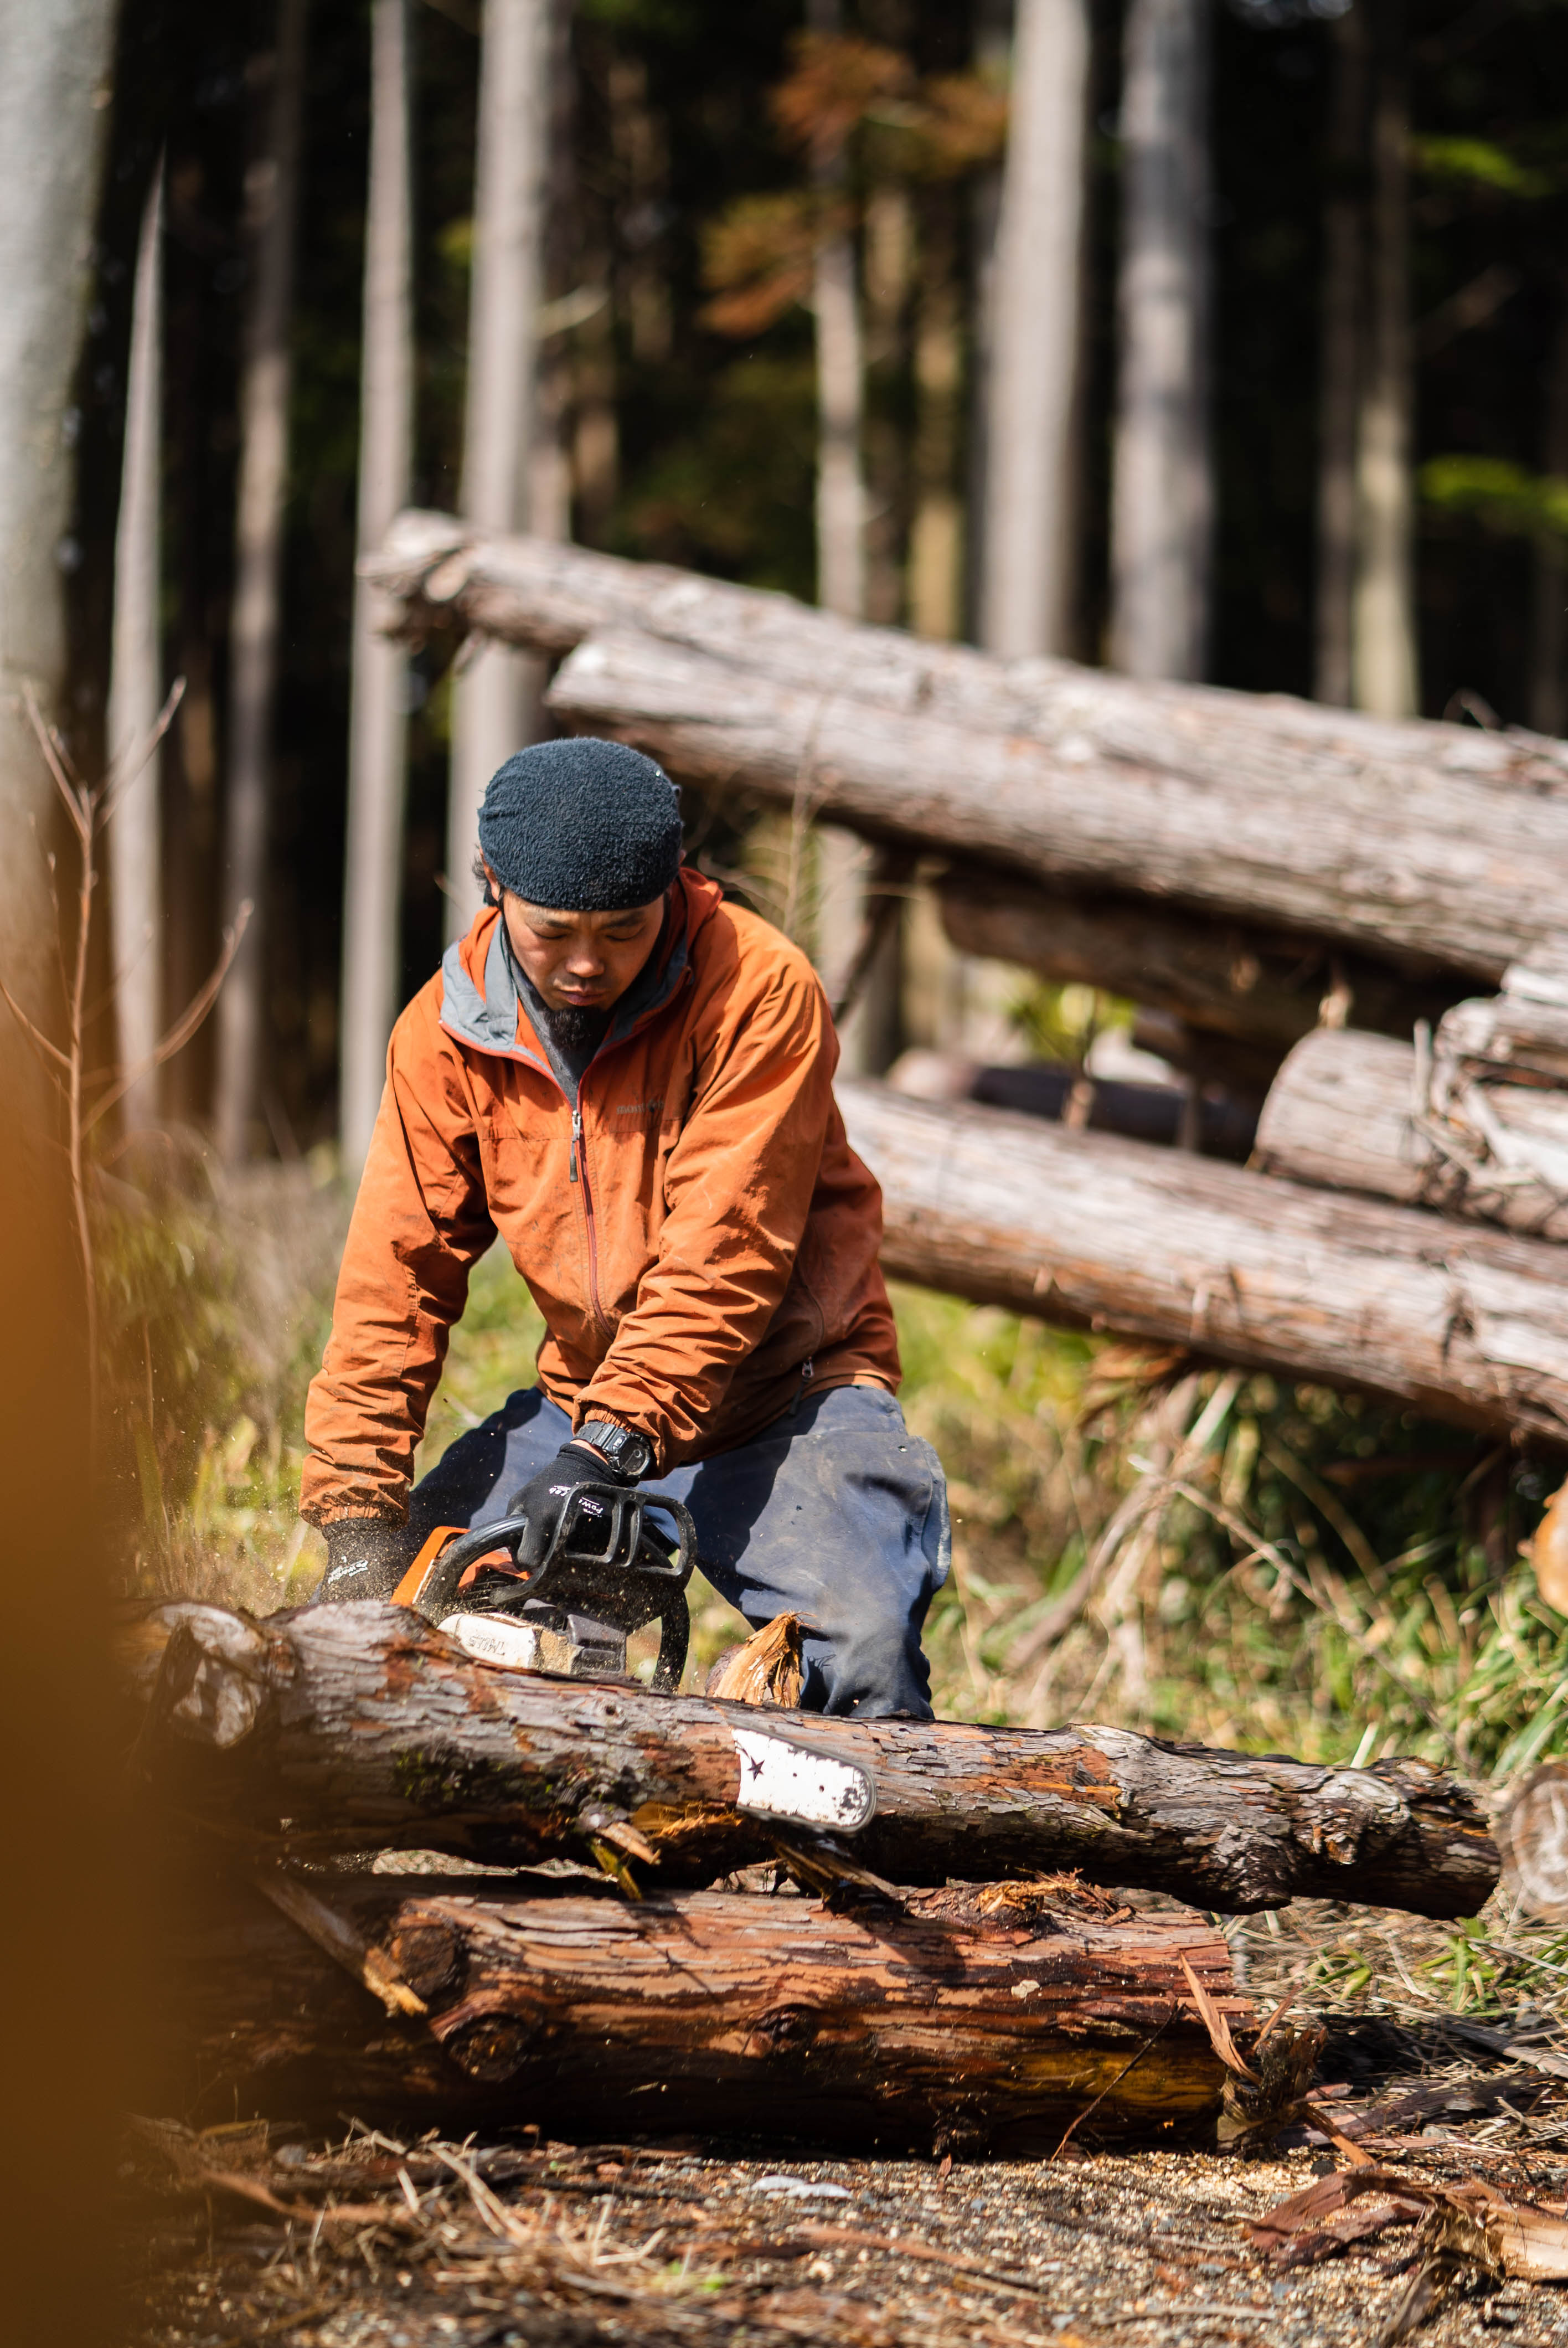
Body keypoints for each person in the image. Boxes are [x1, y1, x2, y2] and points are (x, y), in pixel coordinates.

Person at [301, 735, 950, 1718]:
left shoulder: (758, 992)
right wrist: (356, 1516)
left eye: (624, 930)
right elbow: (395, 1280)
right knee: (402, 1612)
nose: (587, 963)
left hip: (788, 1400)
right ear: (493, 886)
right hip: (585, 1407)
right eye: (553, 931)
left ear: (676, 888)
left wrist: (608, 1455)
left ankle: (881, 1857)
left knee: (863, 1654)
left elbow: (724, 1255)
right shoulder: (443, 1032)